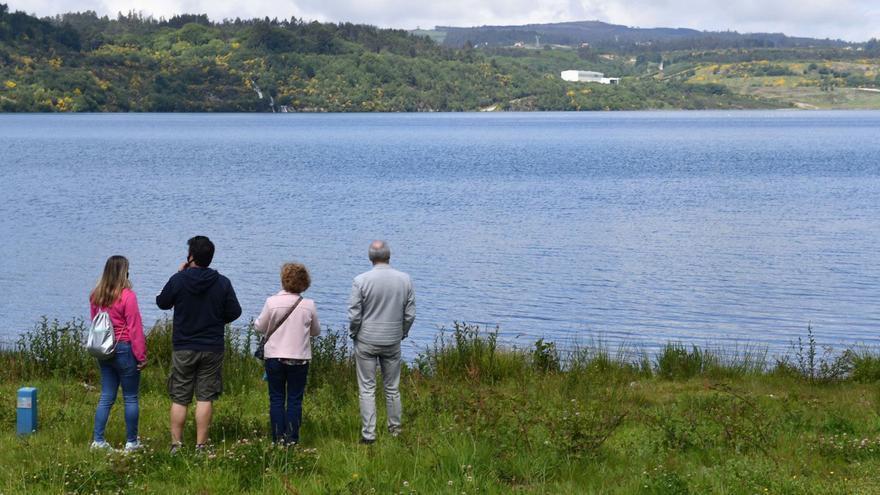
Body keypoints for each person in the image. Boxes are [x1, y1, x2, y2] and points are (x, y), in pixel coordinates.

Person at [156, 235, 241, 453]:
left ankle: (176, 445)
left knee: (180, 396)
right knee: (205, 397)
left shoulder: (180, 280)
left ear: (191, 256)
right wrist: (216, 320)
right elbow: (235, 311)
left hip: (184, 345)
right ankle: (201, 446)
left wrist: (179, 274)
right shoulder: (222, 282)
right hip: (212, 346)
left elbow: (162, 302)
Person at [348, 240, 415, 444]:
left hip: (366, 339)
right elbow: (410, 314)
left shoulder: (361, 280)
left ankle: (369, 434)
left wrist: (355, 333)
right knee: (392, 387)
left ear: (370, 257)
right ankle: (395, 430)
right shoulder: (405, 280)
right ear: (389, 256)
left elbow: (354, 314)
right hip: (392, 339)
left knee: (367, 388)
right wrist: (402, 332)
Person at [254, 263, 321, 445]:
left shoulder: (271, 302)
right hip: (299, 358)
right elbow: (315, 331)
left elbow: (259, 326)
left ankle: (277, 438)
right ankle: (292, 439)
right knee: (294, 400)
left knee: (276, 398)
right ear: (304, 283)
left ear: (284, 280)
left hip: (275, 357)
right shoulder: (308, 305)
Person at [89, 255, 146, 452]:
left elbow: (95, 323)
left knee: (106, 396)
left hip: (104, 350)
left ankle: (98, 440)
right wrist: (141, 356)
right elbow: (135, 328)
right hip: (124, 348)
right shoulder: (127, 296)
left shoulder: (96, 295)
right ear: (124, 273)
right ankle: (132, 442)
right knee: (130, 397)